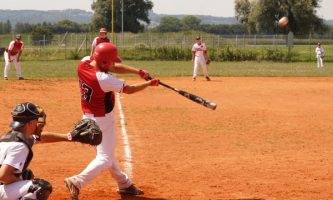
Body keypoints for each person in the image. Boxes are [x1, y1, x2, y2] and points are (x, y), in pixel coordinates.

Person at [64, 42, 159, 200]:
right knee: (105, 158)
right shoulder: (103, 78)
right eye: (112, 61)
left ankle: (125, 184)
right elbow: (129, 89)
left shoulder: (84, 62)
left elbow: (112, 67)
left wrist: (139, 71)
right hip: (102, 121)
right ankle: (77, 182)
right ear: (104, 62)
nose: (115, 64)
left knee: (106, 154)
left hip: (87, 119)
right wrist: (149, 83)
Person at [0, 102, 53, 200]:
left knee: (26, 174)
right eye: (37, 120)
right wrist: (18, 180)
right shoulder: (20, 145)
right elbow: (3, 176)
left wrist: (69, 136)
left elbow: (39, 138)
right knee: (40, 187)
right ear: (31, 123)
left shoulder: (6, 138)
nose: (39, 124)